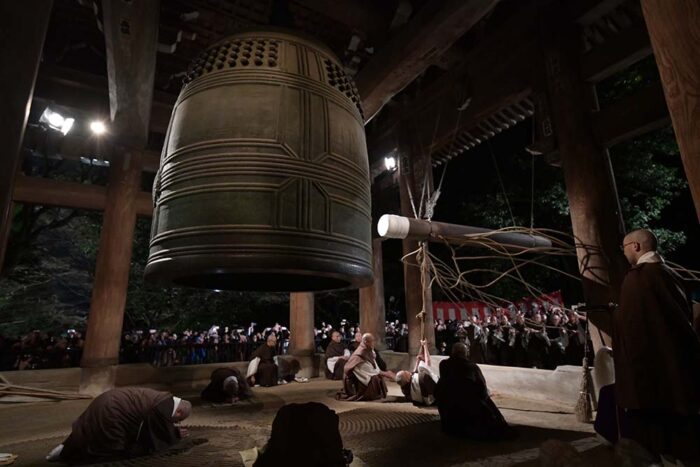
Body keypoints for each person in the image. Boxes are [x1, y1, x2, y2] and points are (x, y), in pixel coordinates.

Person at [614, 229, 700, 461]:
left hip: (651, 370)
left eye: (624, 247)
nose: (623, 253)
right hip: (677, 361)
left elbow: (633, 331)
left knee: (659, 435)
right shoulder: (670, 273)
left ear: (636, 247)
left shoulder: (638, 279)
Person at [46, 387, 191, 462]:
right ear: (178, 411)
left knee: (89, 429)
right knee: (113, 451)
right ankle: (71, 455)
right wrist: (175, 434)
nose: (176, 422)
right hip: (112, 411)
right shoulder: (164, 407)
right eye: (178, 419)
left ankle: (64, 449)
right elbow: (155, 436)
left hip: (108, 401)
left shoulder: (164, 398)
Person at [435, 343, 513, 440]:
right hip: (466, 403)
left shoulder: (443, 364)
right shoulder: (471, 367)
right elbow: (481, 387)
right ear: (464, 353)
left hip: (448, 402)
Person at [339, 333, 395, 401]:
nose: (374, 343)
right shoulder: (360, 354)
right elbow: (371, 371)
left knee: (378, 376)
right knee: (375, 378)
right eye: (372, 341)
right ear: (366, 342)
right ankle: (368, 395)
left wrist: (385, 373)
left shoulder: (368, 350)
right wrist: (387, 374)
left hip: (364, 374)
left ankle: (377, 394)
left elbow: (374, 366)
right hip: (354, 381)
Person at [395, 339, 439, 406]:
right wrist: (425, 346)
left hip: (424, 399)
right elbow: (428, 365)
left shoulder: (404, 389)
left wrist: (417, 361)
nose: (407, 371)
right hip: (434, 396)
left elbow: (413, 374)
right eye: (405, 373)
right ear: (407, 379)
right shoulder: (421, 377)